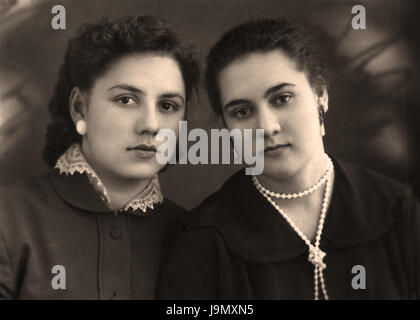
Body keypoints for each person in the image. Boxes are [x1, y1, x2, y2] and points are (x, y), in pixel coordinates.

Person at [158, 18, 420, 299]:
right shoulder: (203, 240)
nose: (267, 127)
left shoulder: (397, 209)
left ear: (320, 95)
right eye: (242, 112)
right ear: (226, 127)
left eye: (282, 98)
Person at [0, 15, 199, 299]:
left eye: (167, 105)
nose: (152, 124)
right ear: (80, 108)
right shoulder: (7, 216)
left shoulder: (194, 234)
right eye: (126, 100)